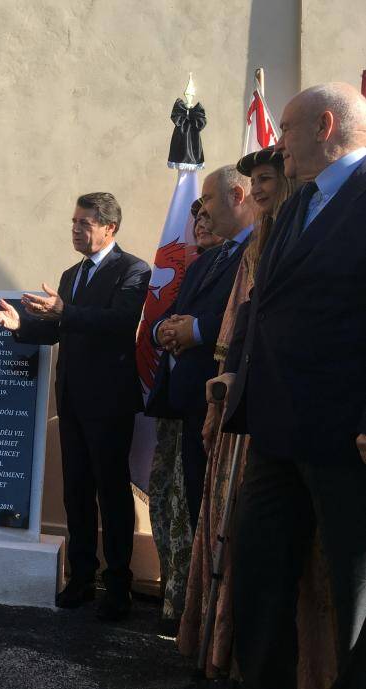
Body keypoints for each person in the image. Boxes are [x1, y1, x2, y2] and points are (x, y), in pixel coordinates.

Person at [209, 83, 366, 689]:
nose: (278, 143)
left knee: (354, 595)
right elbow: (264, 301)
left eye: (289, 129)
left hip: (343, 434)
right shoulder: (299, 204)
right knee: (260, 578)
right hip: (275, 427)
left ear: (326, 125)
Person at [0, 192, 151, 620]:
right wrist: (22, 326)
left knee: (112, 495)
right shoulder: (70, 274)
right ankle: (80, 578)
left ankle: (117, 586)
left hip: (110, 401)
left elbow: (119, 324)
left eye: (85, 223)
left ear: (109, 227)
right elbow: (60, 329)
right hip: (73, 400)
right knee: (76, 492)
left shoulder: (132, 270)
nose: (76, 229)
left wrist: (65, 311)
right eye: (73, 222)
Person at [146, 166, 255, 531]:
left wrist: (195, 329)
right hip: (192, 406)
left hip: (229, 407)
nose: (202, 212)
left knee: (229, 522)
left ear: (237, 197)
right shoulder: (206, 260)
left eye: (208, 199)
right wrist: (167, 330)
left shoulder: (260, 251)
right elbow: (176, 311)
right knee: (199, 515)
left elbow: (248, 314)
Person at [148, 197, 222, 630]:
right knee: (169, 501)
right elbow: (164, 321)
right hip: (176, 404)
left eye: (206, 213)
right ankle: (180, 598)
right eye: (194, 216)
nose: (199, 223)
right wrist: (167, 330)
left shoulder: (242, 261)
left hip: (211, 407)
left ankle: (202, 611)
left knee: (202, 510)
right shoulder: (196, 267)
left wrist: (186, 331)